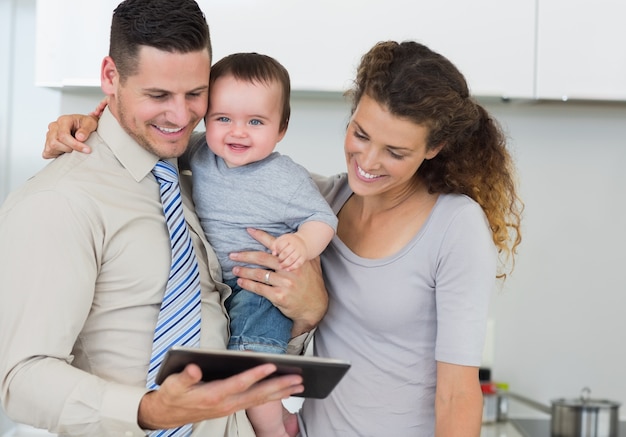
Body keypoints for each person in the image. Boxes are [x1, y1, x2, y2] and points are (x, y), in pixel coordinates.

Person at [43, 40, 524, 436]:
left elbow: (459, 393)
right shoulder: (329, 198)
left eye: (395, 151)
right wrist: (95, 127)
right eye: (360, 133)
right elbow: (229, 165)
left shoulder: (455, 226)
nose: (369, 161)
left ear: (433, 148)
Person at [0, 1, 328, 436]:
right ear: (110, 77)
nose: (179, 116)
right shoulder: (59, 202)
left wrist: (307, 313)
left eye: (195, 94)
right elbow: (20, 379)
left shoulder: (209, 171)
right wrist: (150, 410)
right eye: (158, 96)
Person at [185, 52, 336, 437]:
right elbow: (159, 143)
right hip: (219, 286)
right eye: (223, 119)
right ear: (205, 118)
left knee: (252, 360)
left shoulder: (285, 177)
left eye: (255, 121)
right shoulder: (201, 152)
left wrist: (302, 243)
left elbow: (324, 220)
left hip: (262, 287)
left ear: (281, 128)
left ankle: (275, 428)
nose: (237, 132)